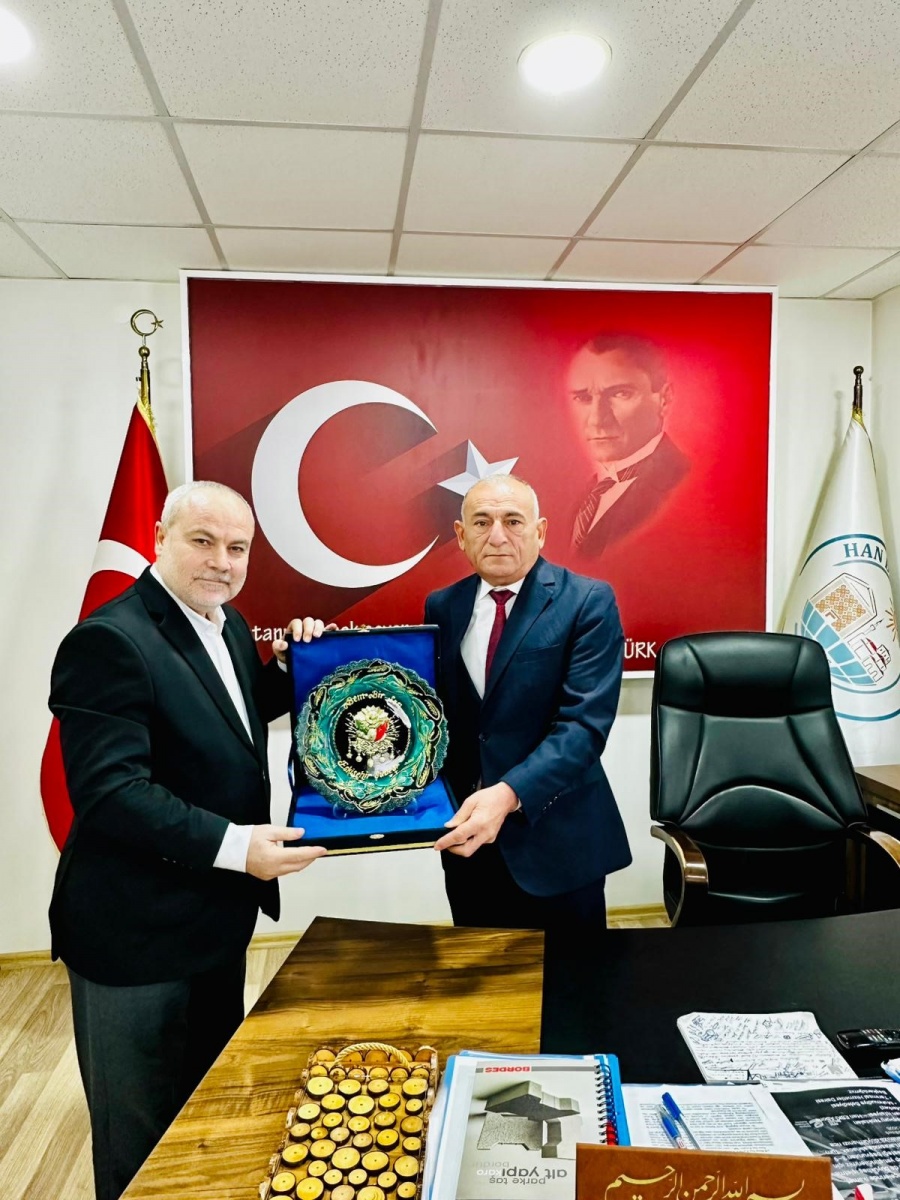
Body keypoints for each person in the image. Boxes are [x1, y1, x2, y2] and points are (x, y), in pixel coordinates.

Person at [48, 480, 329, 1200]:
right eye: (203, 541)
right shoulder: (109, 641)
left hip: (213, 922)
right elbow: (112, 793)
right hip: (133, 937)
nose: (222, 562)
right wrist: (239, 848)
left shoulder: (225, 623)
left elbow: (230, 716)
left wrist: (294, 670)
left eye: (237, 548)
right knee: (139, 1144)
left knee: (201, 1116)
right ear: (158, 537)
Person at [426, 474, 631, 935]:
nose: (497, 536)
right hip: (470, 844)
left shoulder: (588, 601)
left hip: (558, 843)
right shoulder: (442, 606)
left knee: (574, 976)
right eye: (482, 522)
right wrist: (310, 654)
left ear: (539, 531)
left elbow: (583, 728)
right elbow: (431, 716)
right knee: (482, 975)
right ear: (461, 535)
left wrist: (507, 795)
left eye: (513, 521)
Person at [566, 332, 690, 558]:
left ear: (664, 399)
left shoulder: (684, 489)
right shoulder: (585, 494)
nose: (597, 420)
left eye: (620, 394)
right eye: (583, 398)